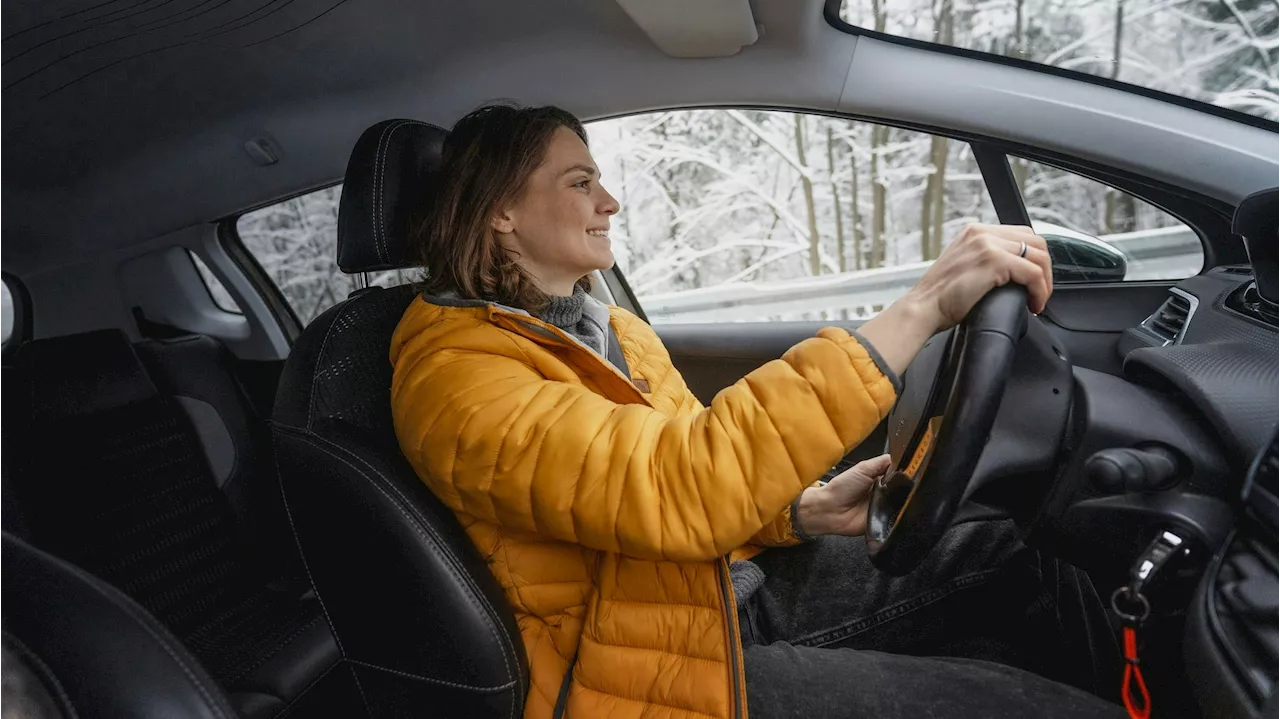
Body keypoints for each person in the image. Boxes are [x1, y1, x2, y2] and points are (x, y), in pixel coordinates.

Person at [390, 103, 1125, 719]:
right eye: (581, 183)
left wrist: (797, 512)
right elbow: (684, 485)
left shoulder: (608, 329)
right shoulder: (456, 378)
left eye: (601, 180)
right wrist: (923, 306)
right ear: (500, 213)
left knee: (1008, 551)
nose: (609, 202)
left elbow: (673, 482)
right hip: (637, 666)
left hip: (703, 591)